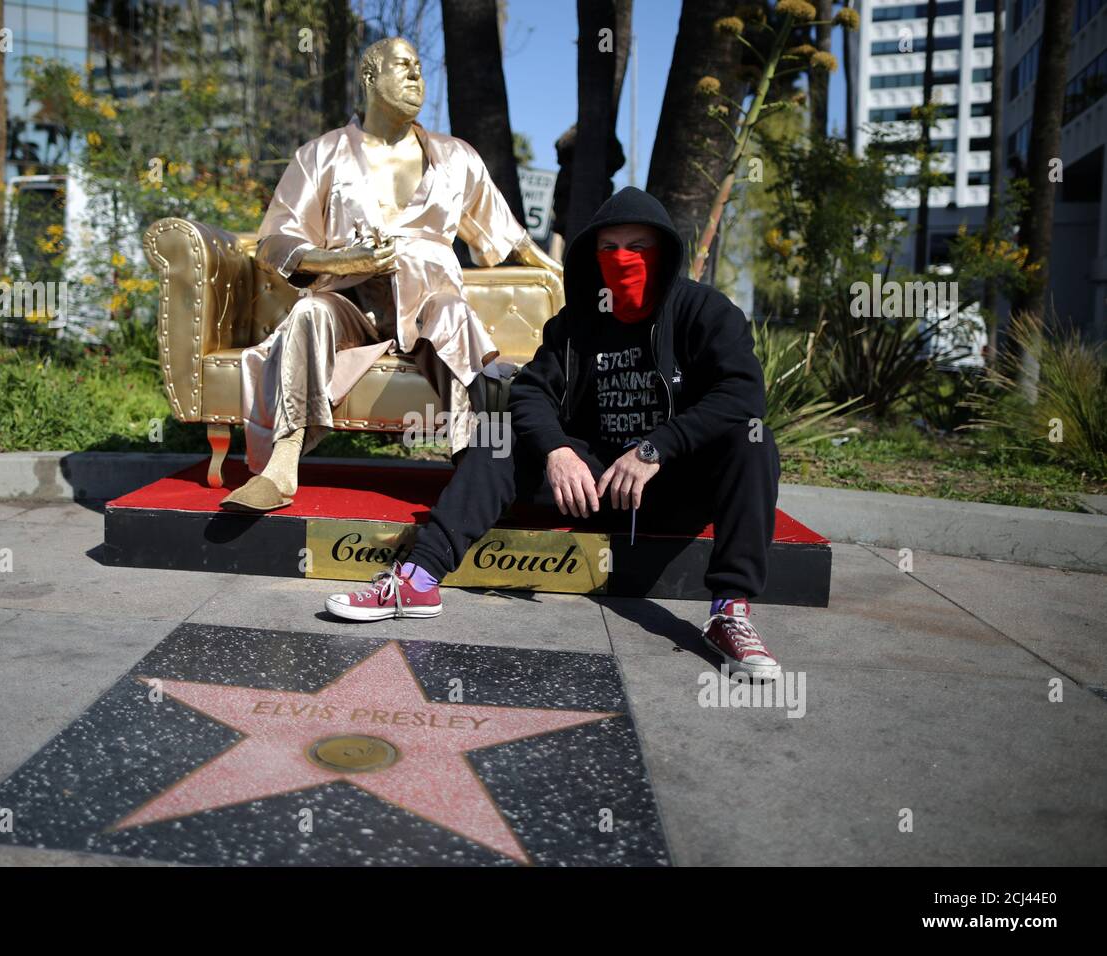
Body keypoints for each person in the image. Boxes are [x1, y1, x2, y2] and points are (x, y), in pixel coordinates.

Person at [324, 187, 784, 681]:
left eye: (639, 246)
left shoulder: (705, 312)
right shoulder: (576, 324)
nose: (623, 259)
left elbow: (742, 394)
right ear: (592, 256)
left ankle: (729, 612)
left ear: (665, 252)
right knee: (499, 434)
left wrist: (655, 448)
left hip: (668, 483)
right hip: (587, 485)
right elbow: (530, 394)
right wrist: (557, 450)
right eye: (609, 248)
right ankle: (418, 580)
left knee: (752, 438)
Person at [222, 35, 559, 512]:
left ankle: (471, 467)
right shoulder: (321, 155)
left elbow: (506, 231)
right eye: (402, 65)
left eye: (420, 66)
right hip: (351, 304)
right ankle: (282, 464)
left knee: (456, 317)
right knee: (309, 314)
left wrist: (557, 270)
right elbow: (274, 241)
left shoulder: (455, 155)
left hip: (430, 302)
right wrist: (342, 261)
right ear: (370, 76)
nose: (416, 75)